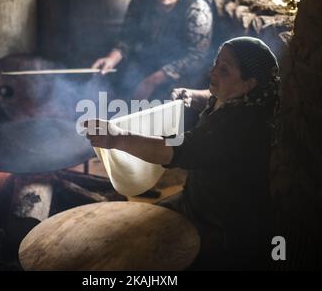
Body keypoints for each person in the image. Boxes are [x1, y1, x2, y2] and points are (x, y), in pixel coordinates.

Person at [84, 36, 282, 270]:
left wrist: (116, 137)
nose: (213, 71)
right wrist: (193, 96)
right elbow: (215, 99)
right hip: (197, 201)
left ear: (248, 83)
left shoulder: (239, 126)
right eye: (216, 63)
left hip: (222, 226)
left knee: (146, 254)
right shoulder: (250, 100)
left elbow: (176, 149)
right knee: (140, 230)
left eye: (224, 70)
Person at [92, 0, 213, 101]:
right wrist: (112, 58)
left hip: (179, 75)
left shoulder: (197, 8)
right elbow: (128, 35)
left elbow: (198, 57)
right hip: (145, 64)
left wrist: (152, 81)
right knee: (111, 88)